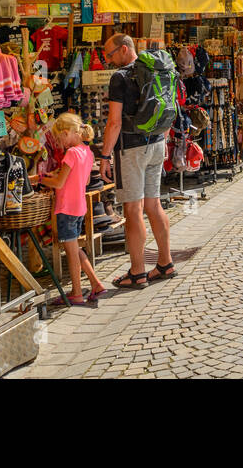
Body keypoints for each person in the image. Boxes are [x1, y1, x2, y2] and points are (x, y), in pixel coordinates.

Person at [101, 34, 175, 288]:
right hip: (156, 144)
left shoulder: (120, 77)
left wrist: (104, 156)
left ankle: (137, 271)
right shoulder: (156, 68)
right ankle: (165, 263)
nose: (107, 60)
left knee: (133, 210)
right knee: (153, 205)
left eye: (109, 55)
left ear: (124, 49)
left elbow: (114, 122)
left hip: (130, 149)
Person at [41, 113, 105, 305]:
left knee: (71, 252)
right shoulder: (87, 151)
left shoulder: (71, 153)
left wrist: (43, 179)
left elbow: (60, 183)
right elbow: (83, 180)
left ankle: (76, 292)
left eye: (61, 138)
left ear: (68, 132)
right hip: (79, 207)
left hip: (66, 208)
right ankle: (96, 284)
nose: (61, 143)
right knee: (75, 249)